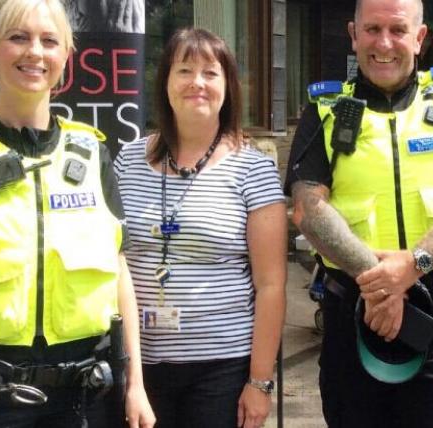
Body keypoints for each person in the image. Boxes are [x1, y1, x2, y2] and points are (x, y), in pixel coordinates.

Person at [0, 0, 155, 427]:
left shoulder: (92, 154)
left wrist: (136, 384)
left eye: (49, 41)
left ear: (66, 55)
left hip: (84, 398)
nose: (35, 52)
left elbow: (120, 274)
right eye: (17, 37)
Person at [284, 0, 433, 426]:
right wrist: (384, 285)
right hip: (353, 305)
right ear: (353, 34)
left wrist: (414, 264)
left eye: (398, 30)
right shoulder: (325, 108)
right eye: (372, 29)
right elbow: (308, 208)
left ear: (419, 38)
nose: (383, 43)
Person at [114, 27, 286, 428]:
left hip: (220, 370)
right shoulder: (127, 161)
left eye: (210, 73)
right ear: (166, 83)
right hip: (139, 366)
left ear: (228, 86)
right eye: (184, 70)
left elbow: (271, 284)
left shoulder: (252, 168)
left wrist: (260, 383)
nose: (197, 83)